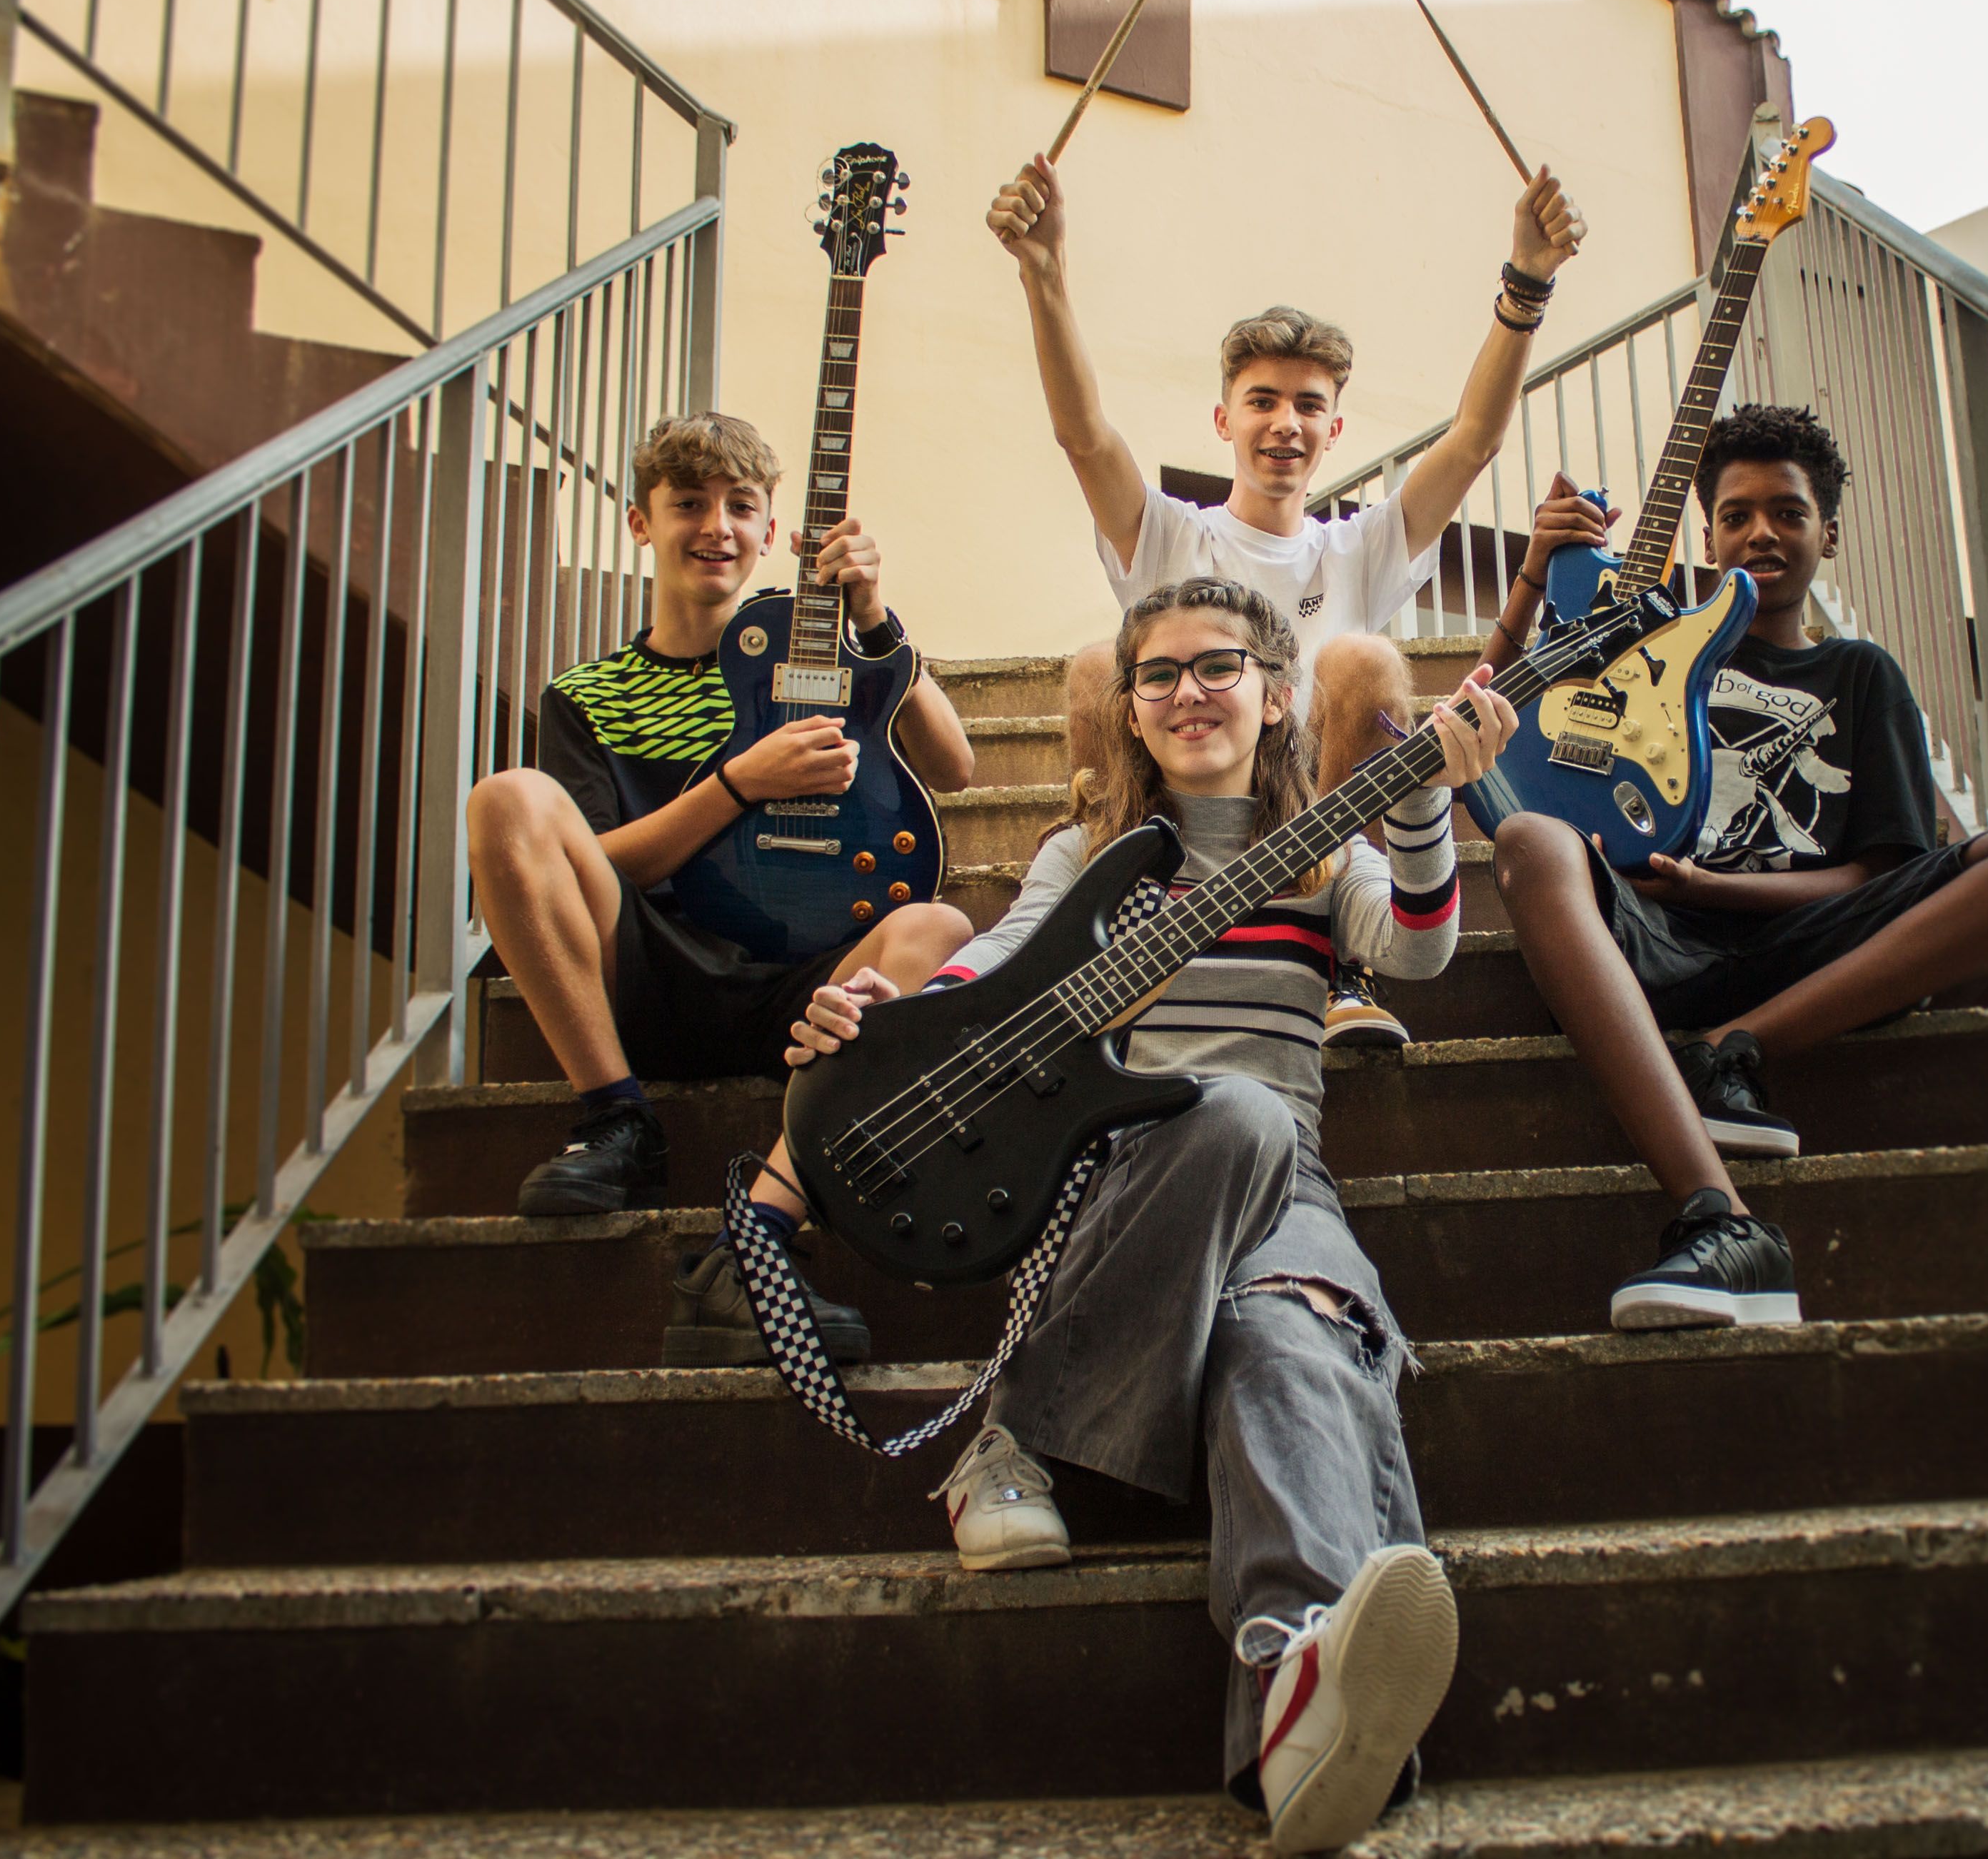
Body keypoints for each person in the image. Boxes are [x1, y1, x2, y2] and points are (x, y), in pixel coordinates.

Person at [771, 575, 1514, 1854]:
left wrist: (1427, 801)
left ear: (1277, 693)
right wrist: (866, 1027)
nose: (1186, 690)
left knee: (1288, 1335)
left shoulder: (1327, 853)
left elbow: (1415, 951)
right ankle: (1007, 1437)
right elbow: (979, 973)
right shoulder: (1085, 857)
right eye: (1157, 672)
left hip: (1285, 1200)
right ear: (1128, 706)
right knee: (1231, 1113)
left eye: (1217, 664)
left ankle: (1294, 1683)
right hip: (1111, 1185)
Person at [1484, 405, 1988, 1331]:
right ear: (1708, 533)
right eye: (1736, 513)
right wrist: (1535, 576)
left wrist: (1713, 886)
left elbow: (1873, 876)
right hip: (1650, 941)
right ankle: (1723, 1219)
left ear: (1829, 531)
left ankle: (1730, 1047)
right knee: (1530, 840)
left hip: (1819, 948)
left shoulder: (1861, 675)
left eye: (1787, 510)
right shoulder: (1648, 650)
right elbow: (1484, 730)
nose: (1761, 531)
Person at [986, 149, 1581, 1047]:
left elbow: (1472, 442)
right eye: (1260, 400)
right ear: (1223, 419)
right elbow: (1082, 436)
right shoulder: (1171, 536)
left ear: (1334, 428)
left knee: (1366, 658)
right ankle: (1108, 919)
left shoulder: (1359, 547)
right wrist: (1043, 274)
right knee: (1098, 666)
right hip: (1176, 804)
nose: (1284, 423)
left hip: (1305, 825)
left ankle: (1339, 954)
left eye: (1308, 405)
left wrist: (1526, 282)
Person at [464, 412, 978, 1367]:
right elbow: (600, 859)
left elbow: (954, 766)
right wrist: (741, 782)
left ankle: (762, 1236)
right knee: (506, 800)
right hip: (647, 968)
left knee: (943, 924)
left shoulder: (812, 661)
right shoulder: (590, 691)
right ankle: (618, 1118)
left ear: (776, 529)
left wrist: (873, 613)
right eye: (689, 503)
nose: (718, 526)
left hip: (804, 991)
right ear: (638, 522)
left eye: (742, 506)